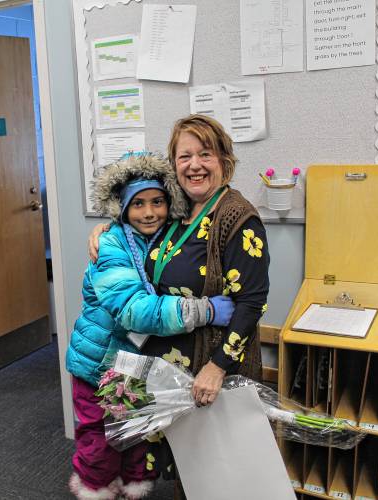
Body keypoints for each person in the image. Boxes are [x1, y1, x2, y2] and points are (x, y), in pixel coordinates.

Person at [89, 115, 270, 496]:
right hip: (168, 366)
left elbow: (252, 304)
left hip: (209, 367)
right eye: (184, 156)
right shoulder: (176, 209)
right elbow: (139, 229)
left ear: (223, 159)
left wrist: (217, 368)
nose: (194, 165)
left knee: (218, 473)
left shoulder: (238, 218)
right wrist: (109, 229)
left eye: (205, 153)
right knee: (188, 470)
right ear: (174, 164)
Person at [66, 152, 235, 500]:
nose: (148, 212)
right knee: (100, 439)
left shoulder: (165, 235)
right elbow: (134, 311)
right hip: (98, 365)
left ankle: (131, 489)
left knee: (134, 435)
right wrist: (203, 311)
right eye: (138, 203)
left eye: (157, 201)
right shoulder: (112, 244)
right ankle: (95, 490)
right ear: (122, 208)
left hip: (134, 364)